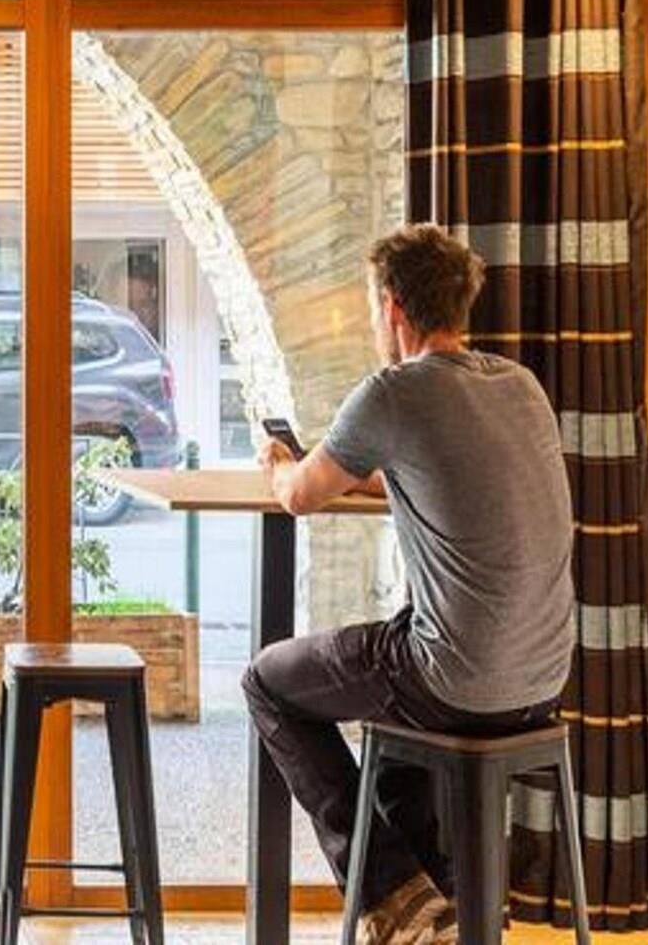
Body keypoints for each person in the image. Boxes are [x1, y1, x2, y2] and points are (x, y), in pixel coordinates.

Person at [245, 224, 575, 945]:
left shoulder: (393, 393)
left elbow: (299, 495)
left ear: (393, 306)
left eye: (374, 306)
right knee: (397, 721)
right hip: (543, 680)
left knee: (267, 682)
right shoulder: (519, 385)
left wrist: (277, 462)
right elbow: (425, 472)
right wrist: (367, 473)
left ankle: (394, 897)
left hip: (457, 680)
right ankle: (440, 912)